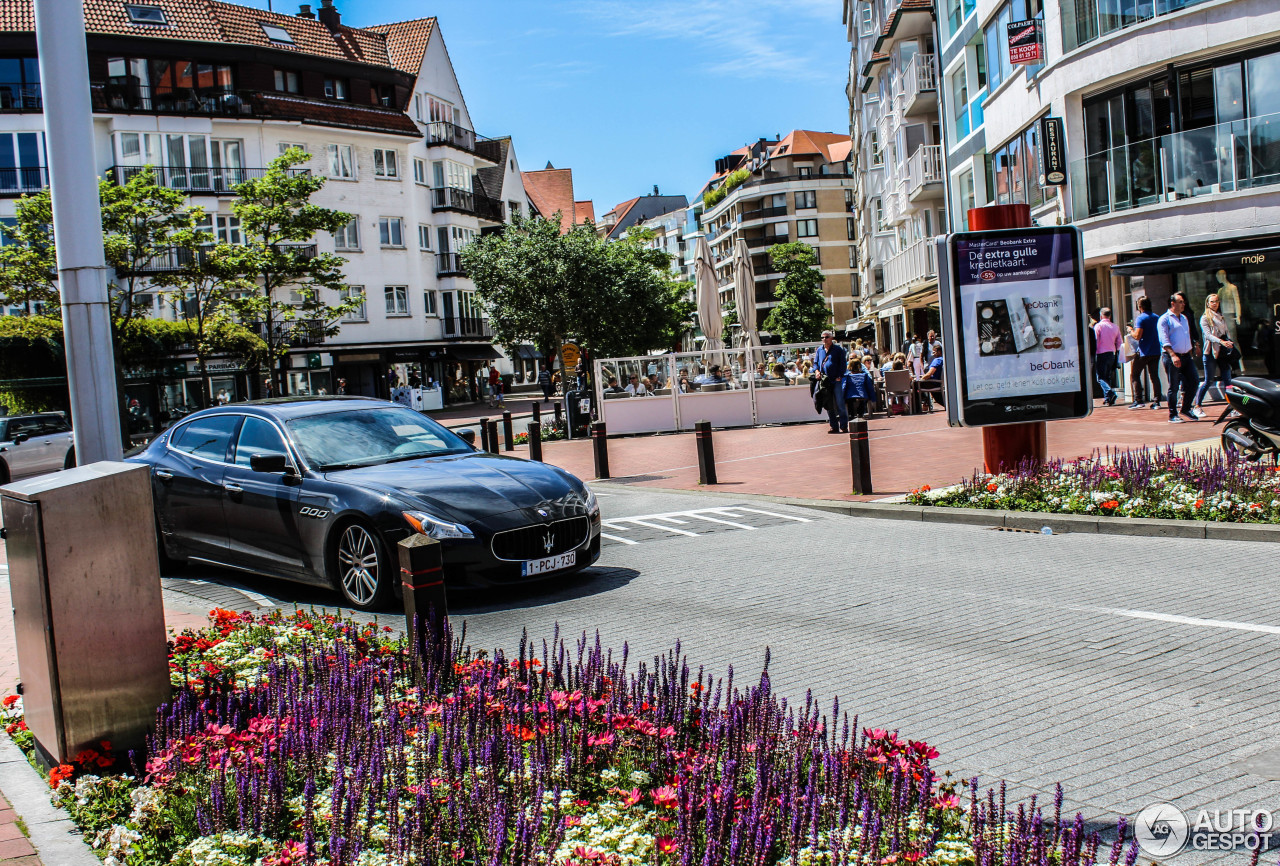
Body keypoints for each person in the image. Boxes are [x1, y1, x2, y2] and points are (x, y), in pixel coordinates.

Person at [1158, 291, 1203, 423]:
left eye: (1184, 302)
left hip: (1186, 356)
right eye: (1180, 302)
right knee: (1174, 386)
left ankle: (1186, 408)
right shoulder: (1164, 319)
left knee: (1194, 381)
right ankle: (1172, 414)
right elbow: (1164, 339)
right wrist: (1173, 355)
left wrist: (1193, 346)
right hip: (1172, 356)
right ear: (1173, 303)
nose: (1184, 304)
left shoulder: (1184, 318)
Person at [1194, 292, 1235, 409]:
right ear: (1208, 303)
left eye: (1216, 301)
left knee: (1228, 379)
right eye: (1212, 301)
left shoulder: (1221, 316)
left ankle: (1232, 406)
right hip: (1210, 352)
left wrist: (1229, 342)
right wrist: (1221, 342)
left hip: (1223, 352)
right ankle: (1197, 405)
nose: (1215, 303)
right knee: (1208, 381)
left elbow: (1226, 332)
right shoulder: (1205, 318)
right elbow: (1207, 335)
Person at [1128, 297, 1162, 410]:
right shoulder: (1157, 317)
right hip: (1156, 350)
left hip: (1144, 351)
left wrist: (1130, 331)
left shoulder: (1140, 318)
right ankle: (1157, 401)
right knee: (1154, 376)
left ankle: (1139, 400)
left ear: (1140, 306)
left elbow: (1137, 336)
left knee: (1135, 375)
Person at [814, 329, 848, 433]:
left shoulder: (838, 350)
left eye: (826, 337)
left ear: (831, 338)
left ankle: (843, 425)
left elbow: (843, 364)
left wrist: (840, 376)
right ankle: (834, 426)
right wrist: (817, 372)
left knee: (840, 402)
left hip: (836, 380)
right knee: (828, 404)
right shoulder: (819, 350)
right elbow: (815, 363)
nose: (824, 339)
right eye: (822, 337)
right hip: (825, 381)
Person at [1093, 307, 1122, 406]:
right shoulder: (1115, 327)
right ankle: (1108, 399)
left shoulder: (1098, 326)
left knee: (1100, 377)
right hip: (1111, 354)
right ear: (1110, 316)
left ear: (1101, 315)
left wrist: (1093, 352)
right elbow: (1119, 343)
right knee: (1107, 376)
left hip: (1101, 354)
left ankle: (1109, 392)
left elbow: (1095, 340)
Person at [917, 345, 945, 410]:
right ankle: (926, 402)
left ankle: (920, 406)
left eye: (934, 352)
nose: (933, 354)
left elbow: (930, 374)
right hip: (939, 383)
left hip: (933, 383)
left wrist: (920, 379)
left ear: (939, 352)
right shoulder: (943, 360)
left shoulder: (937, 360)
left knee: (915, 384)